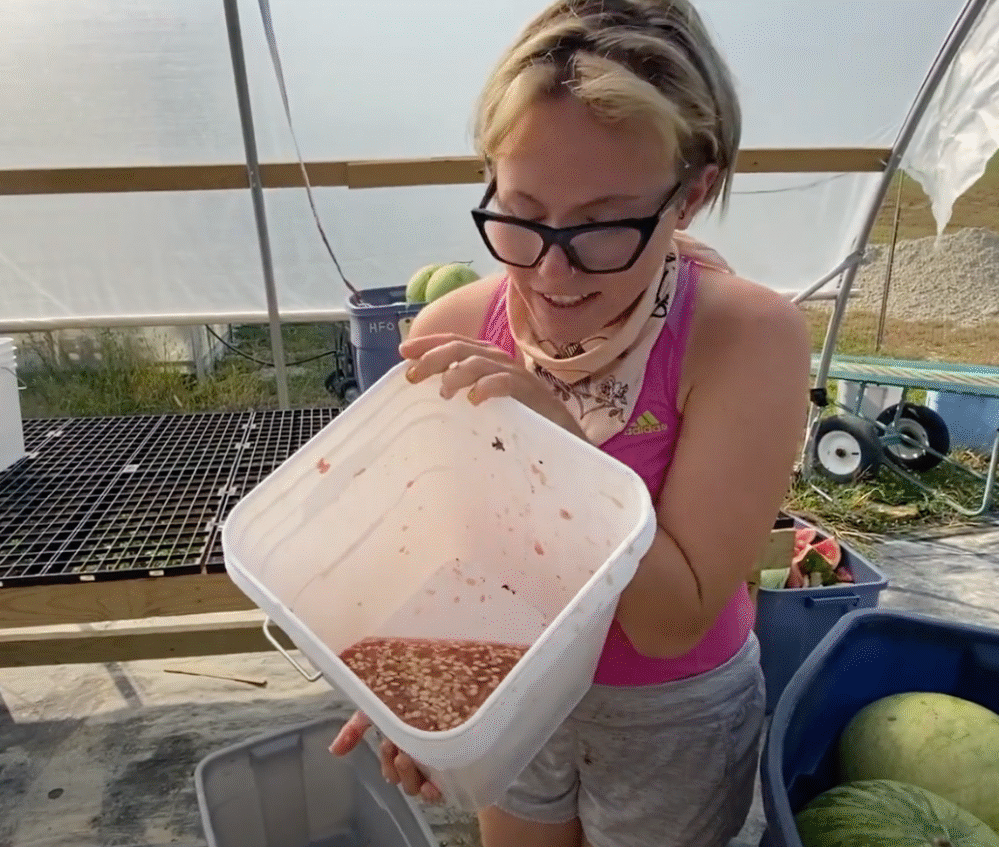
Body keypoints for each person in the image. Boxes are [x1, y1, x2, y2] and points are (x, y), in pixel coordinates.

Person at [327, 1, 812, 845]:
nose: (551, 270)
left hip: (668, 715)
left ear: (691, 195)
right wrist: (415, 686)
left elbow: (670, 620)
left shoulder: (745, 339)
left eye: (601, 227)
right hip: (514, 687)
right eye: (521, 212)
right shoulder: (448, 334)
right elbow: (447, 554)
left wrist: (555, 439)